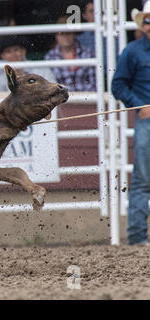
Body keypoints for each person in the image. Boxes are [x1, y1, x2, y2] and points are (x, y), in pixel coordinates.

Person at [112, 1, 150, 246]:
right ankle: (137, 238)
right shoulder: (132, 51)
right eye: (147, 21)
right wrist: (140, 105)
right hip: (147, 120)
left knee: (142, 180)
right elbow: (118, 85)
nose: (149, 25)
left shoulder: (134, 51)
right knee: (143, 180)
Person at [44, 15, 96, 92]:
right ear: (56, 36)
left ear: (74, 34)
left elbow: (94, 83)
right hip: (61, 101)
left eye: (68, 33)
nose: (65, 37)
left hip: (87, 100)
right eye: (61, 33)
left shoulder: (88, 54)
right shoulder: (49, 57)